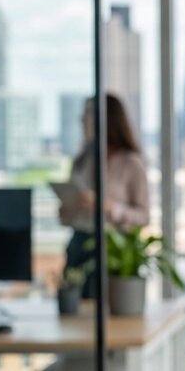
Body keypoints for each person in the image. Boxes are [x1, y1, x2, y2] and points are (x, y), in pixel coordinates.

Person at [58, 93, 149, 298]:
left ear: (107, 118)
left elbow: (144, 216)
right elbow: (69, 215)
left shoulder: (130, 163)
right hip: (78, 245)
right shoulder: (82, 160)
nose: (82, 120)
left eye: (88, 114)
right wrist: (69, 208)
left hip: (113, 250)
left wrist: (109, 207)